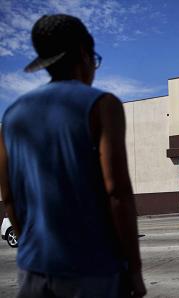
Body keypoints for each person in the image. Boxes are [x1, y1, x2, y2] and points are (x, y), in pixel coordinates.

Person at [0, 14, 146, 297]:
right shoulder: (103, 106)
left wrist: (31, 248)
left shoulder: (12, 116)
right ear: (84, 54)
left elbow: (9, 198)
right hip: (93, 269)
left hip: (32, 270)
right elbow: (116, 192)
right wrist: (134, 269)